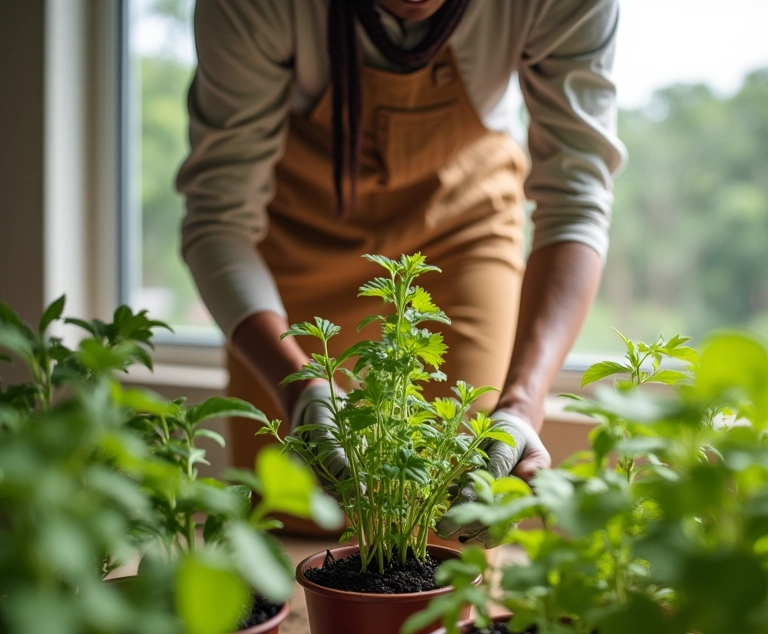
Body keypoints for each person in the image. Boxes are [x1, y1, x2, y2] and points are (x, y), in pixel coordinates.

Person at [176, 0, 626, 545]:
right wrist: (299, 391)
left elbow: (576, 202)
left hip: (461, 225)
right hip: (294, 234)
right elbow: (217, 216)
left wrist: (523, 402)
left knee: (453, 501)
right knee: (291, 514)